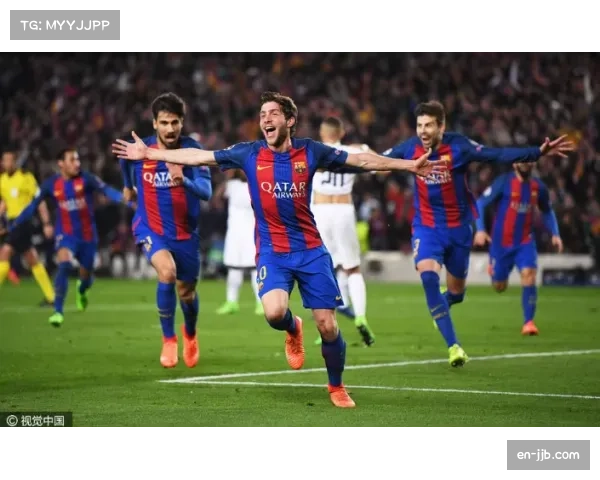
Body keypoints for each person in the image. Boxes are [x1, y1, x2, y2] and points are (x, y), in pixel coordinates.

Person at [113, 91, 439, 408]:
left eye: (273, 114)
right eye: (262, 115)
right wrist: (150, 154)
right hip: (272, 251)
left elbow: (361, 160)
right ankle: (293, 327)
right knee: (273, 313)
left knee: (328, 325)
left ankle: (337, 386)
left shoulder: (311, 152)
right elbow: (200, 157)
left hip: (310, 250)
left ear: (290, 120)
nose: (265, 119)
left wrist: (408, 165)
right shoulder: (249, 153)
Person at [382, 100, 573, 366]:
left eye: (429, 125)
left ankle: (445, 303)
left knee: (457, 292)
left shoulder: (459, 146)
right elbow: (378, 160)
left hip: (459, 230)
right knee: (428, 275)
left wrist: (536, 152)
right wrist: (344, 162)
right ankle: (454, 347)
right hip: (427, 227)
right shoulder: (409, 148)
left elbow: (497, 154)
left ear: (441, 126)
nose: (423, 131)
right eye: (419, 125)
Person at [119, 92, 212, 369]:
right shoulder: (141, 149)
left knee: (187, 293)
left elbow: (206, 192)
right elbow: (124, 159)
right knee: (167, 272)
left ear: (182, 122)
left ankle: (190, 334)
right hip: (150, 226)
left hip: (185, 232)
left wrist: (184, 181)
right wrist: (127, 185)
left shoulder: (193, 151)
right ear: (154, 123)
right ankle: (169, 339)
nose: (170, 129)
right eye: (164, 122)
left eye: (175, 122)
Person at [11, 148, 129, 326]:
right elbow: (33, 206)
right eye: (72, 160)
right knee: (64, 264)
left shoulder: (86, 179)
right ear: (61, 164)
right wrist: (16, 223)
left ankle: (82, 290)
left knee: (85, 275)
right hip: (65, 234)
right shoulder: (51, 184)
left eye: (77, 159)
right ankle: (58, 311)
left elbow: (106, 190)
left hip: (88, 236)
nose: (77, 163)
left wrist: (124, 199)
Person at [474, 162, 563, 335]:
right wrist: (481, 230)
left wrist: (555, 233)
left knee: (529, 274)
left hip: (524, 241)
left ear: (533, 163)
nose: (525, 164)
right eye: (522, 160)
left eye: (528, 160)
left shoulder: (538, 187)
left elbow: (546, 210)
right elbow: (481, 203)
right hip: (501, 244)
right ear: (515, 164)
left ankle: (529, 322)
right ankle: (495, 270)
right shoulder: (504, 182)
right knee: (499, 286)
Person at [311, 116, 374, 347]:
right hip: (344, 209)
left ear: (322, 133)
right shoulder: (352, 151)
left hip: (320, 211)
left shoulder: (314, 151)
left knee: (323, 269)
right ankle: (360, 316)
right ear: (342, 133)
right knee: (352, 268)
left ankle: (326, 326)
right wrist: (364, 147)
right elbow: (381, 168)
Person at [0, 147, 55, 305]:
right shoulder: (2, 180)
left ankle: (51, 297)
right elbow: (5, 202)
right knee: (32, 258)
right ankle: (51, 297)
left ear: (15, 161)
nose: (7, 163)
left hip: (23, 222)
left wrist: (46, 223)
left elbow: (40, 201)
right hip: (11, 222)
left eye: (10, 160)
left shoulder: (26, 178)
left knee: (5, 252)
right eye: (5, 160)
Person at [214, 170, 264, 316]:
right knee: (233, 269)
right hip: (234, 234)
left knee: (256, 269)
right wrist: (226, 179)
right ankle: (231, 302)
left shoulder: (258, 185)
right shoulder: (231, 185)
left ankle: (261, 303)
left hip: (252, 233)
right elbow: (217, 199)